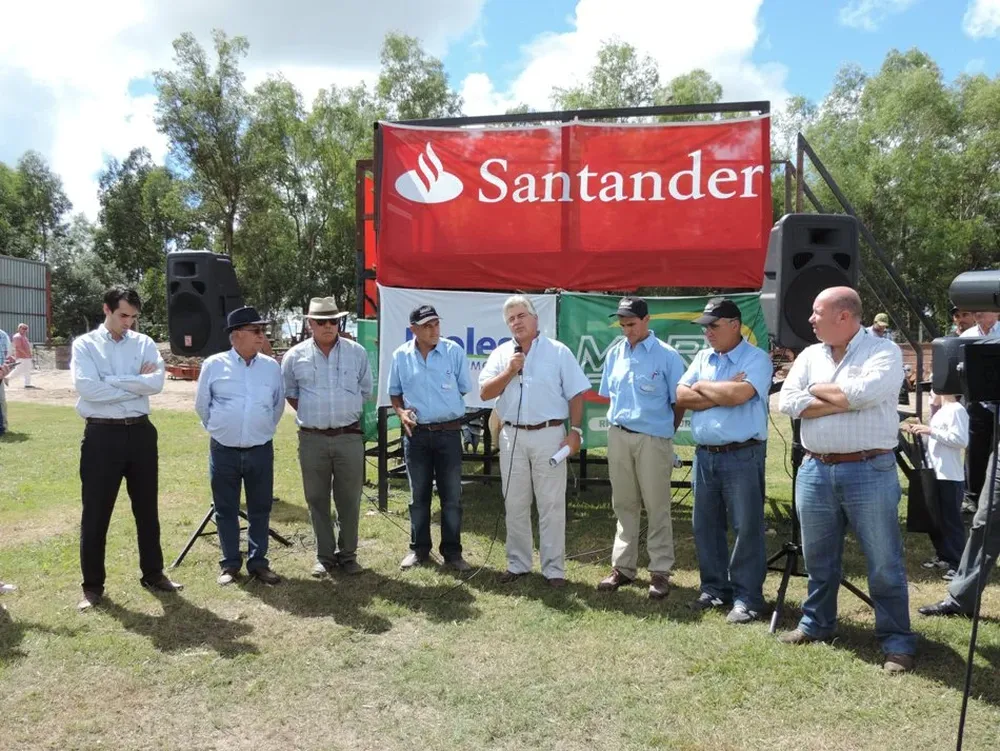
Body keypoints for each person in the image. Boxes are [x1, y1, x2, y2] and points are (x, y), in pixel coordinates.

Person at [778, 286, 915, 674]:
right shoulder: (809, 354)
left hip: (869, 468)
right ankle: (817, 624)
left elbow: (867, 393)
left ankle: (897, 640)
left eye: (817, 312)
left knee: (884, 561)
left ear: (844, 316)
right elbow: (787, 400)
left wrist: (816, 394)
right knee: (819, 558)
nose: (809, 319)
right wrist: (840, 398)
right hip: (815, 469)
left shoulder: (883, 351)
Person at [71, 287, 181, 611]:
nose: (128, 323)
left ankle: (153, 574)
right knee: (95, 513)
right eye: (123, 315)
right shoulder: (85, 345)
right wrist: (133, 382)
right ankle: (92, 587)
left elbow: (157, 383)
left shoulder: (144, 343)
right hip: (101, 437)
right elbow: (86, 388)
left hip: (141, 434)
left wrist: (112, 381)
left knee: (147, 510)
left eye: (133, 316)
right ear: (106, 309)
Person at [479, 295, 591, 587]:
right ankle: (518, 565)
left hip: (549, 435)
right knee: (515, 502)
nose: (516, 322)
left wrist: (575, 430)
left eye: (521, 316)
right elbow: (485, 393)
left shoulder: (558, 352)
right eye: (511, 319)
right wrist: (509, 370)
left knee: (551, 504)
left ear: (535, 319)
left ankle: (554, 570)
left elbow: (577, 393)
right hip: (511, 434)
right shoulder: (503, 353)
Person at [676, 297, 773, 623]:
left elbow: (739, 395)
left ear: (735, 325)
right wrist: (721, 390)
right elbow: (680, 396)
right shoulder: (704, 356)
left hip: (743, 454)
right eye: (705, 327)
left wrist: (703, 386)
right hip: (706, 456)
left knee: (746, 527)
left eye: (713, 326)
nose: (707, 333)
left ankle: (748, 598)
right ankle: (715, 590)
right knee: (705, 526)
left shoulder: (757, 358)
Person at [596, 297, 686, 600]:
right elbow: (610, 395)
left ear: (647, 320)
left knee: (657, 505)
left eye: (631, 324)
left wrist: (663, 433)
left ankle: (660, 571)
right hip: (618, 435)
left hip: (653, 439)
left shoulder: (668, 357)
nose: (626, 330)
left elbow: (680, 402)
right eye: (622, 325)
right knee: (623, 503)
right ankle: (622, 567)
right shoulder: (615, 354)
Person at [282, 297, 373, 577]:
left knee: (349, 499)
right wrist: (317, 417)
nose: (328, 326)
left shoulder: (357, 353)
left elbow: (366, 390)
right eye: (321, 321)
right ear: (310, 323)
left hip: (349, 437)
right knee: (316, 498)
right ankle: (324, 556)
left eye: (334, 320)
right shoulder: (294, 356)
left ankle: (348, 555)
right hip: (312, 439)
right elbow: (291, 394)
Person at [195, 306, 284, 586]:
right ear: (236, 336)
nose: (262, 336)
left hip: (260, 448)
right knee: (226, 509)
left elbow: (277, 405)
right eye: (256, 331)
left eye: (262, 331)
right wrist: (222, 430)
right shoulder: (213, 365)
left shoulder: (271, 368)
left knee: (260, 508)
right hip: (224, 450)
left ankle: (259, 563)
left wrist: (263, 429)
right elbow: (202, 406)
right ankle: (230, 564)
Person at [389, 304, 473, 572]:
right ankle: (419, 550)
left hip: (448, 432)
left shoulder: (454, 352)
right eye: (427, 326)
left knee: (451, 497)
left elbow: (463, 388)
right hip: (417, 435)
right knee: (418, 497)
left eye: (436, 324)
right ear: (413, 329)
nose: (434, 330)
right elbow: (395, 393)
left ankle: (453, 553)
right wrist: (401, 412)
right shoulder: (400, 356)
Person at [904, 392, 968, 579]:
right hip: (935, 473)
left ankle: (957, 563)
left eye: (933, 390)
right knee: (936, 519)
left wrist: (930, 430)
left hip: (949, 475)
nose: (930, 394)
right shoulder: (942, 411)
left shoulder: (957, 410)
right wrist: (918, 431)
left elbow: (961, 440)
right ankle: (943, 556)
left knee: (951, 521)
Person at [960, 312, 1000, 514]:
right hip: (976, 405)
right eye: (976, 308)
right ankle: (972, 496)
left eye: (984, 307)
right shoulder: (967, 336)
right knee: (975, 451)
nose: (978, 312)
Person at [10, 323, 33, 388]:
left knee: (27, 370)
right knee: (18, 370)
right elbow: (18, 347)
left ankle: (27, 384)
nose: (25, 330)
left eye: (26, 329)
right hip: (21, 357)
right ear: (19, 329)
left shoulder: (24, 337)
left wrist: (29, 354)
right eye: (23, 328)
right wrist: (26, 354)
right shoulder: (17, 336)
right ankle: (7, 378)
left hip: (26, 357)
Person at [0, 328, 11, 436]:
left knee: (2, 400)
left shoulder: (3, 335)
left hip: (1, 373)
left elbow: (7, 355)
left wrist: (5, 370)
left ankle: (3, 425)